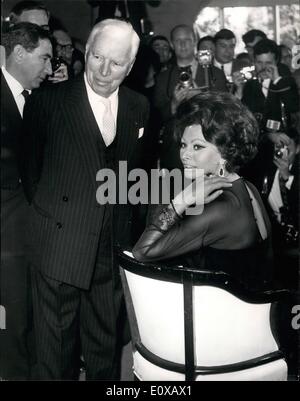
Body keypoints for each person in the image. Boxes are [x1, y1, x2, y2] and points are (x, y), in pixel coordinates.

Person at [20, 18, 150, 380]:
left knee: (104, 352)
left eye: (117, 63)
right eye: (97, 58)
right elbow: (32, 174)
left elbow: (131, 179)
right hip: (60, 244)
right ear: (86, 52)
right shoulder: (49, 102)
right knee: (54, 355)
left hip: (110, 251)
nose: (104, 72)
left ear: (131, 66)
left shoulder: (139, 106)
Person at [133, 92, 275, 291]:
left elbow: (143, 252)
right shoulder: (245, 186)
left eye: (197, 146)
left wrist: (180, 200)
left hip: (227, 317)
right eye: (183, 145)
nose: (185, 155)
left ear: (226, 152)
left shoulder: (222, 207)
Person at [0, 22, 53, 380]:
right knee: (13, 309)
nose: (49, 69)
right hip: (7, 227)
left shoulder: (37, 100)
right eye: (44, 58)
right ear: (19, 53)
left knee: (33, 307)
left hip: (33, 223)